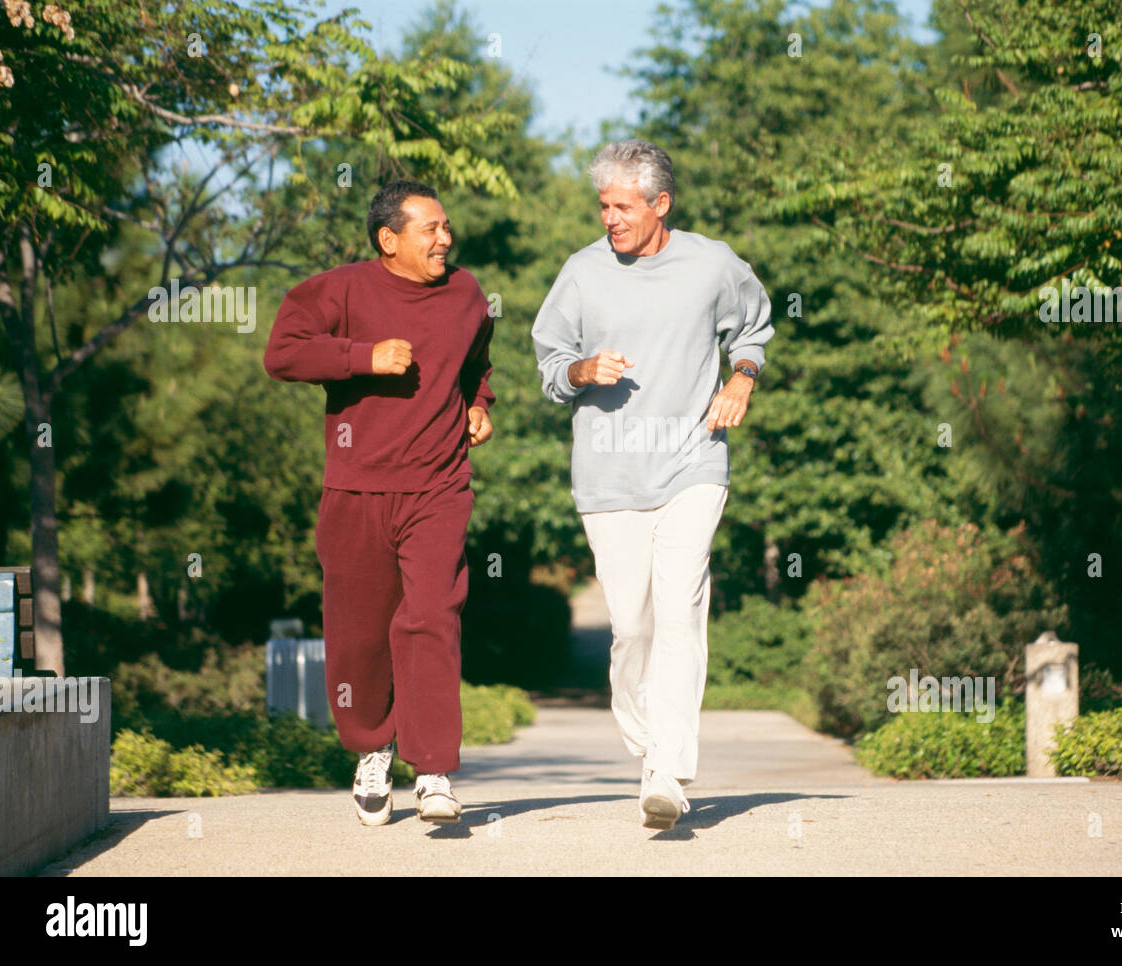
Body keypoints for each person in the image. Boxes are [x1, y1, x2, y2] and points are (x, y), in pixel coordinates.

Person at [531, 139, 773, 830]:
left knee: (679, 608)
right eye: (603, 205)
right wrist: (582, 372)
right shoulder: (581, 274)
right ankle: (647, 746)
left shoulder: (713, 264)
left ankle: (667, 766)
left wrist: (741, 380)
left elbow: (753, 327)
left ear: (660, 204)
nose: (609, 218)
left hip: (693, 462)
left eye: (622, 205)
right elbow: (550, 364)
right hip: (610, 474)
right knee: (631, 626)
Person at [264, 180, 495, 827]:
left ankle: (433, 769)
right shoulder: (341, 289)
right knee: (360, 633)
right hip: (356, 488)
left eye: (446, 226)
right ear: (388, 240)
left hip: (438, 487)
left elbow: (479, 360)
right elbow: (282, 352)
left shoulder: (467, 294)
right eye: (430, 228)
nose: (444, 238)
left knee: (430, 616)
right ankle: (372, 749)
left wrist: (479, 405)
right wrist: (360, 356)